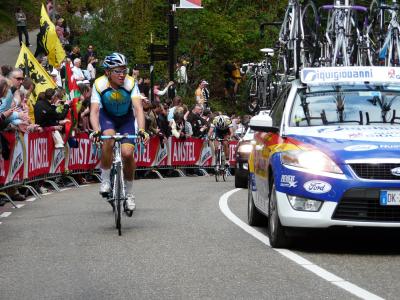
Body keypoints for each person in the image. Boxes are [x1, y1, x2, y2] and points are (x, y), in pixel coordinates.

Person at [89, 52, 149, 213]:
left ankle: (129, 194)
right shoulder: (99, 84)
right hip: (107, 117)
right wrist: (96, 131)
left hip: (126, 120)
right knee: (108, 138)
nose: (122, 74)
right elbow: (94, 112)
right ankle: (106, 180)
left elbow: (138, 108)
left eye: (124, 70)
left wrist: (142, 129)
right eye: (118, 71)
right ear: (107, 72)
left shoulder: (131, 83)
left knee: (128, 154)